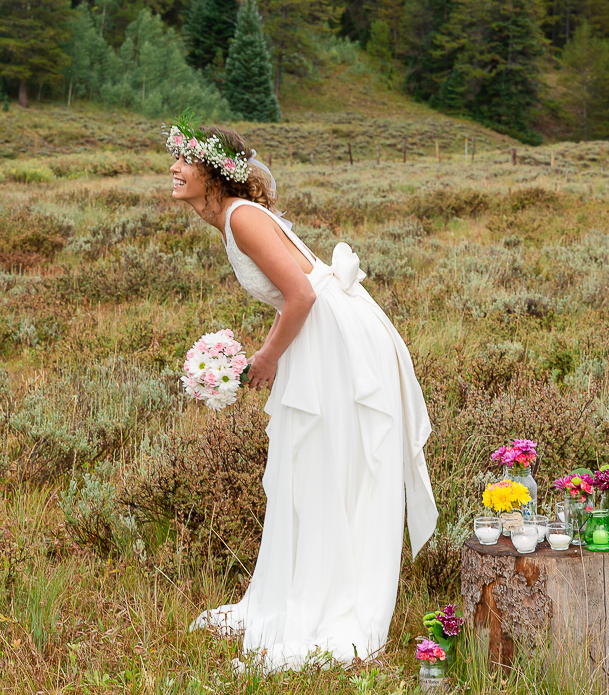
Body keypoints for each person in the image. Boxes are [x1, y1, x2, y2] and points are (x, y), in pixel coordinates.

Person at [170, 117, 438, 670]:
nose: (173, 169)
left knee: (325, 464)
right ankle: (311, 578)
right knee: (313, 467)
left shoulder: (242, 217)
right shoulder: (233, 217)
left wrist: (266, 357)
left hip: (333, 340)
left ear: (214, 173)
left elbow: (300, 296)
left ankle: (333, 599)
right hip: (320, 337)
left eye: (184, 160)